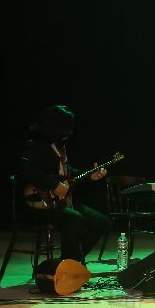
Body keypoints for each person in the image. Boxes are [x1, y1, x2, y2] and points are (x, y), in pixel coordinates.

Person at [18, 105, 110, 263]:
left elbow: (67, 173)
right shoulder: (38, 143)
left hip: (61, 203)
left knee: (102, 222)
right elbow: (26, 169)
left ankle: (72, 261)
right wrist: (53, 184)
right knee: (74, 218)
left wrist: (90, 176)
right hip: (41, 205)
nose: (70, 132)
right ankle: (69, 263)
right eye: (66, 128)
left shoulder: (59, 145)